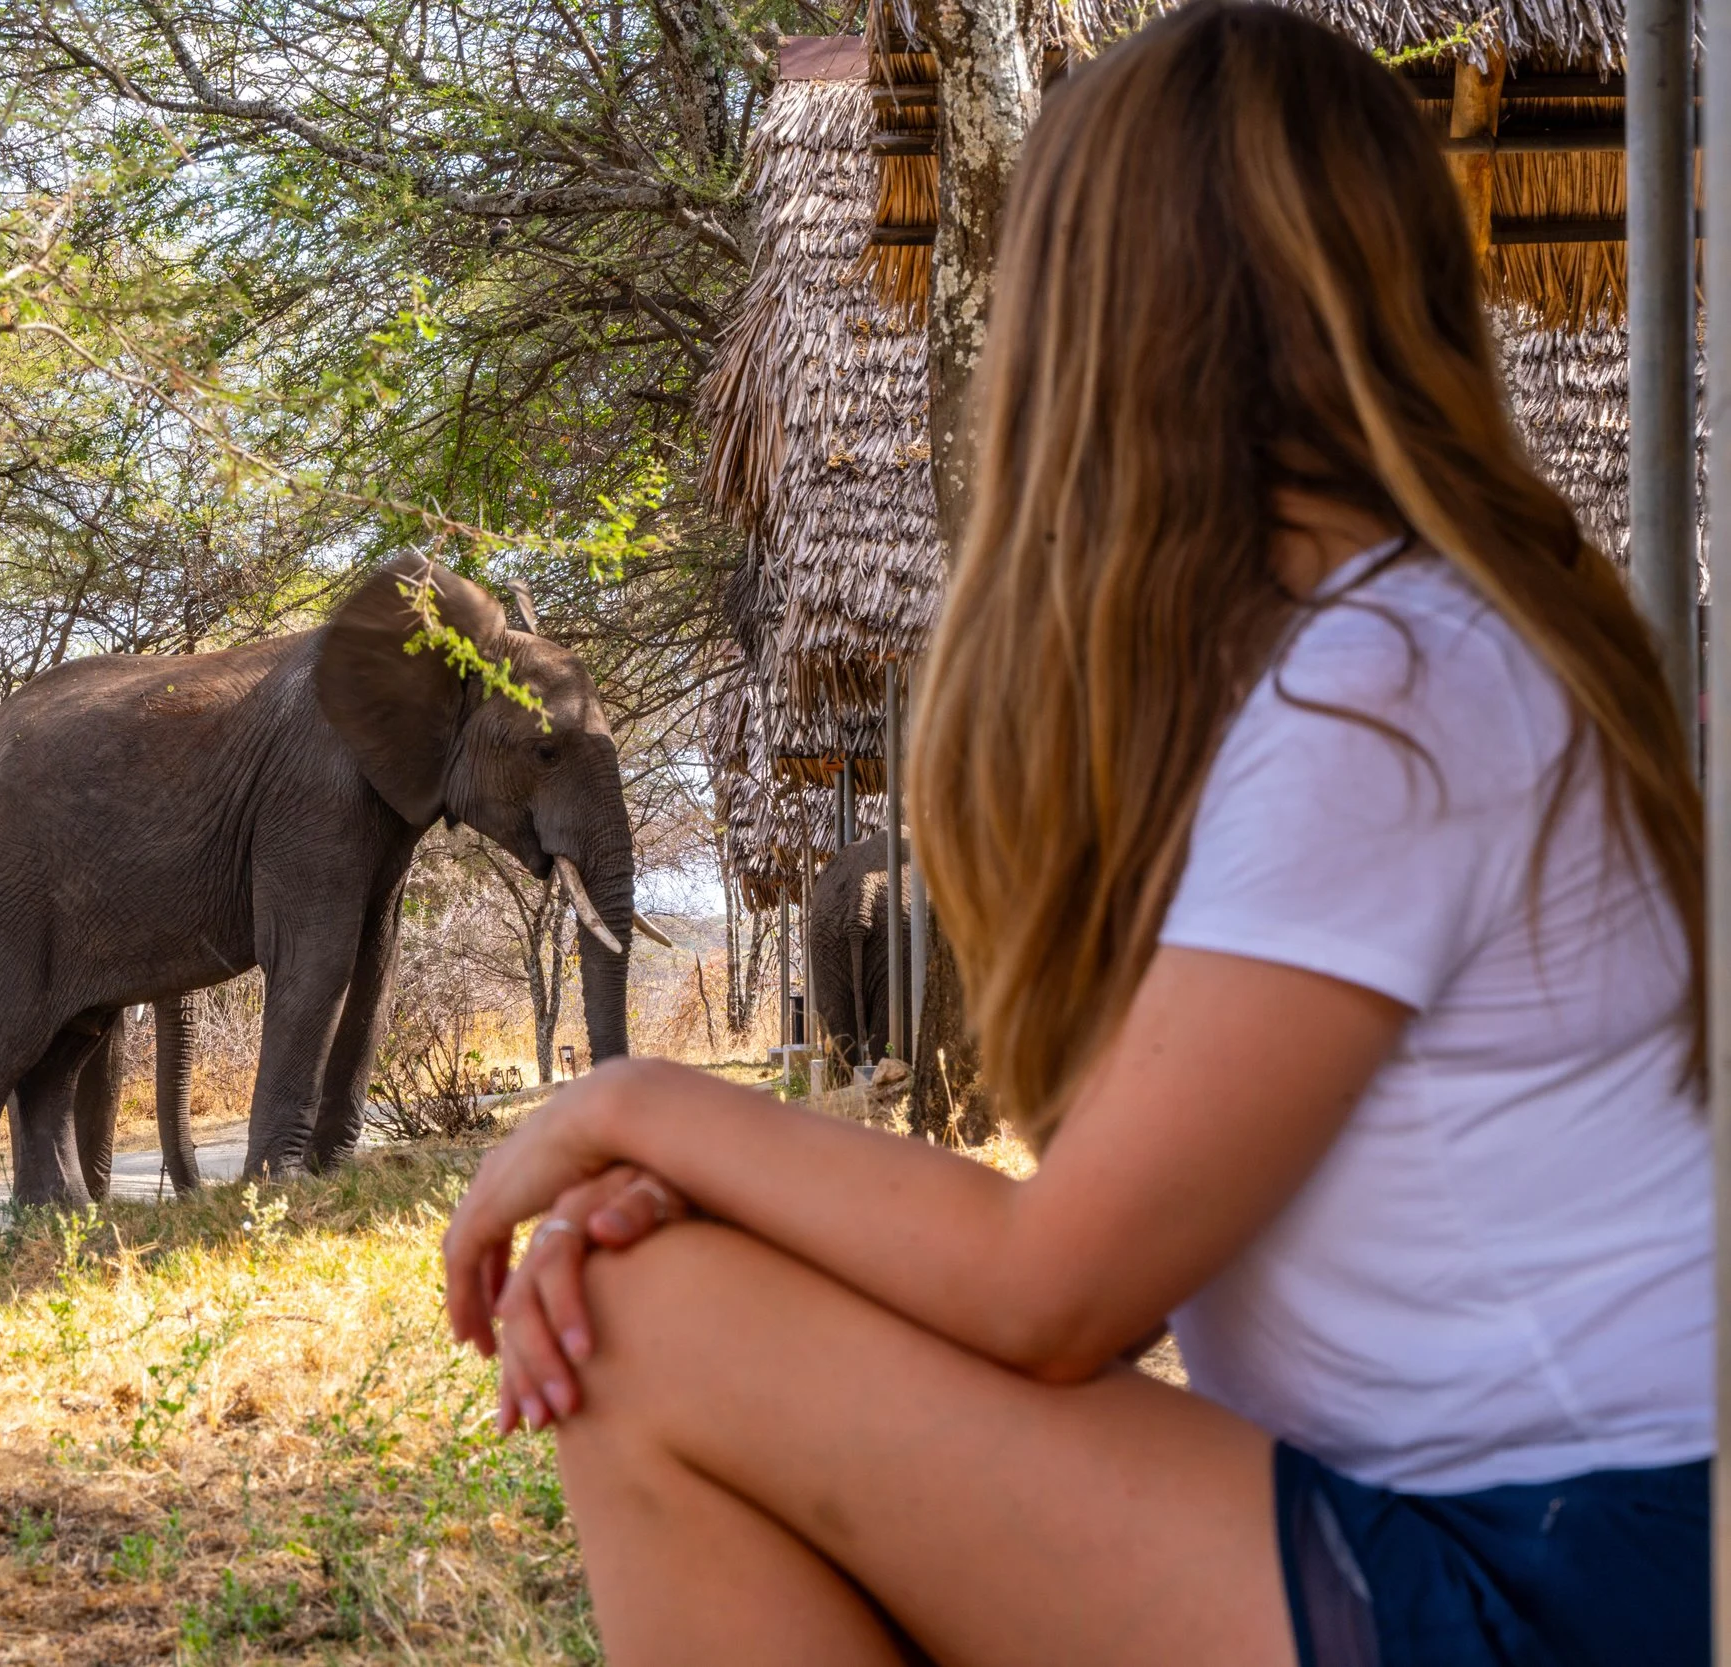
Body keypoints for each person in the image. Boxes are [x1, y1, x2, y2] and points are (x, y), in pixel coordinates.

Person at [438, 7, 1713, 1663]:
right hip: (1547, 1538)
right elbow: (1082, 1251)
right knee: (679, 1300)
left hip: (1559, 1581)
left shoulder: (1384, 697)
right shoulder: (1423, 651)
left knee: (646, 1333)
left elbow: (1055, 1294)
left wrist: (634, 1106)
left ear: (1105, 329)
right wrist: (728, 1193)